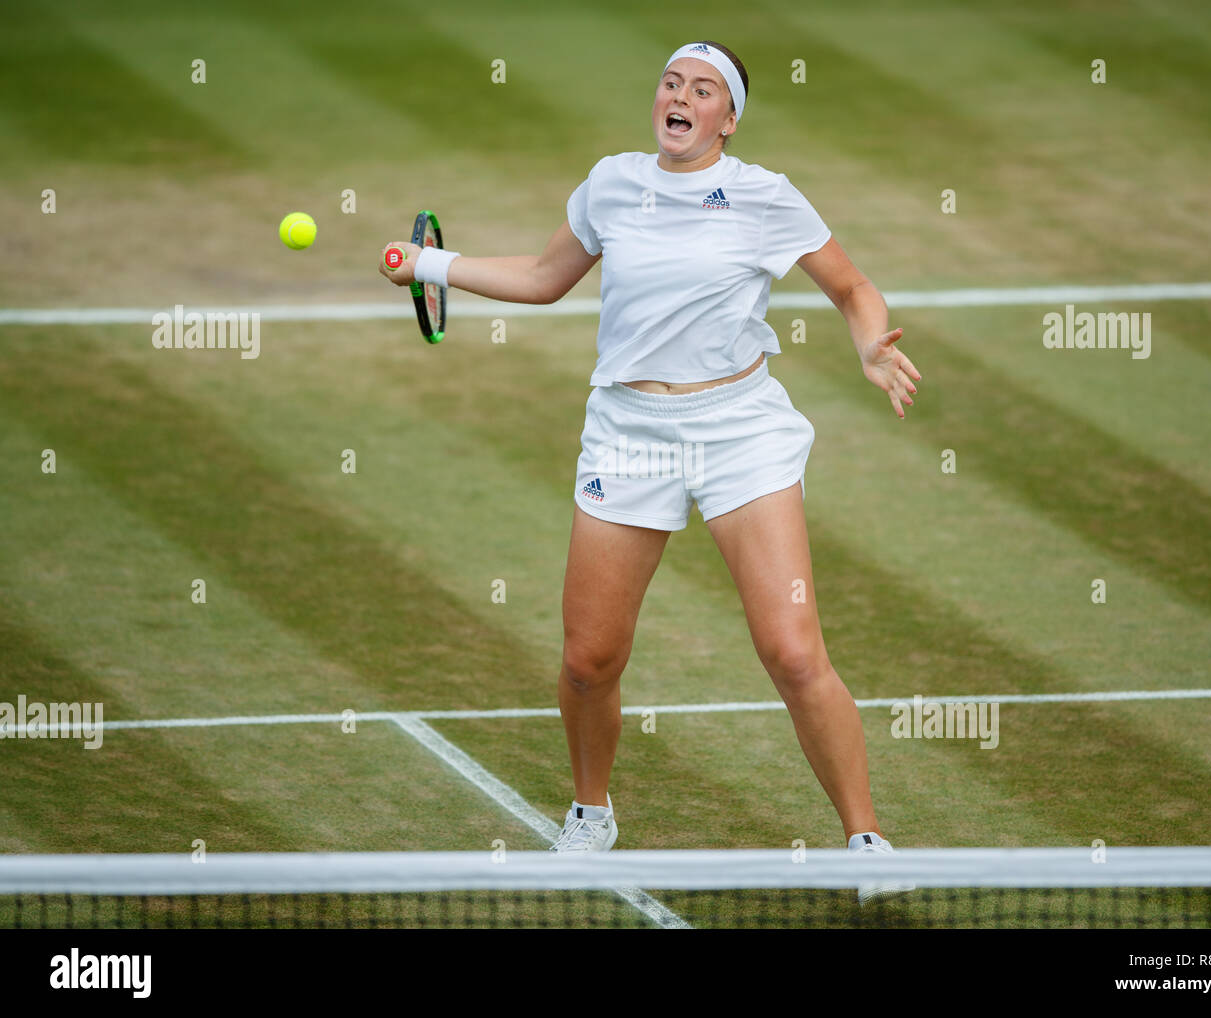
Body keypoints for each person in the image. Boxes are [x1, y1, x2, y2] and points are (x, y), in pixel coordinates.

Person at [380, 41, 920, 867]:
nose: (681, 97)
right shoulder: (613, 183)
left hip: (741, 431)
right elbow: (540, 275)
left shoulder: (763, 198)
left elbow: (850, 287)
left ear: (727, 121)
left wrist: (871, 343)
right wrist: (430, 264)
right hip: (629, 435)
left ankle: (867, 837)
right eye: (672, 83)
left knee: (793, 650)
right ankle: (591, 812)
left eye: (704, 91)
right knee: (589, 659)